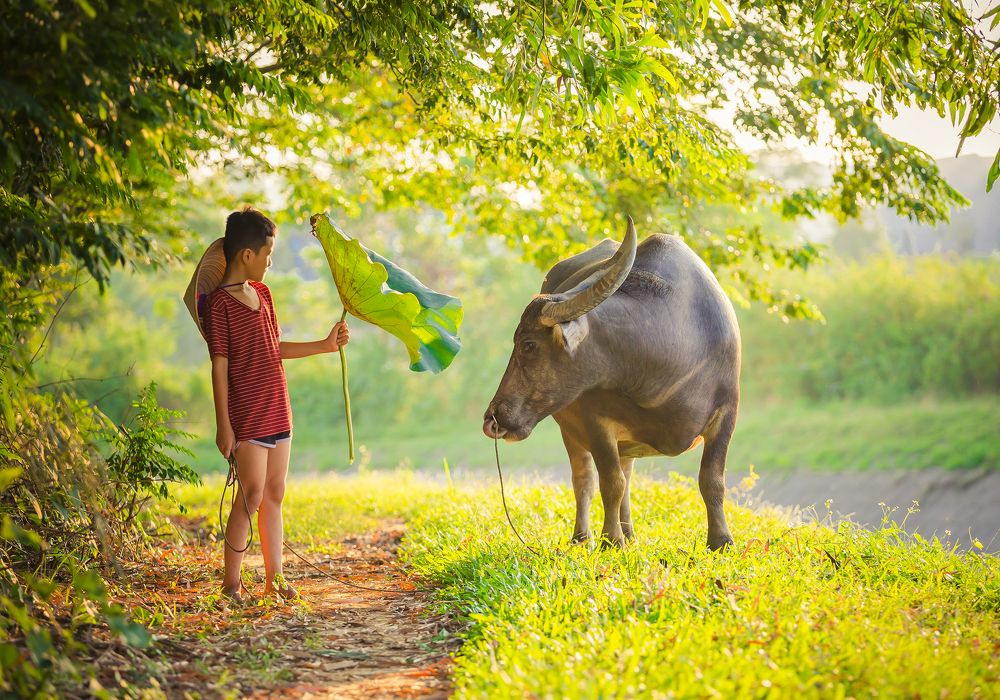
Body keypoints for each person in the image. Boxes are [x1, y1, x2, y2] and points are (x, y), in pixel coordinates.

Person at [204, 206, 349, 602]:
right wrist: (224, 425)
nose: (270, 263)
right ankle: (231, 585)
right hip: (246, 415)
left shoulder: (264, 295)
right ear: (247, 255)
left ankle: (275, 580)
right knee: (249, 494)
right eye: (268, 254)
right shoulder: (219, 306)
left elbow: (274, 349)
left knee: (274, 492)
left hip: (277, 405)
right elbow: (220, 367)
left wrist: (324, 344)